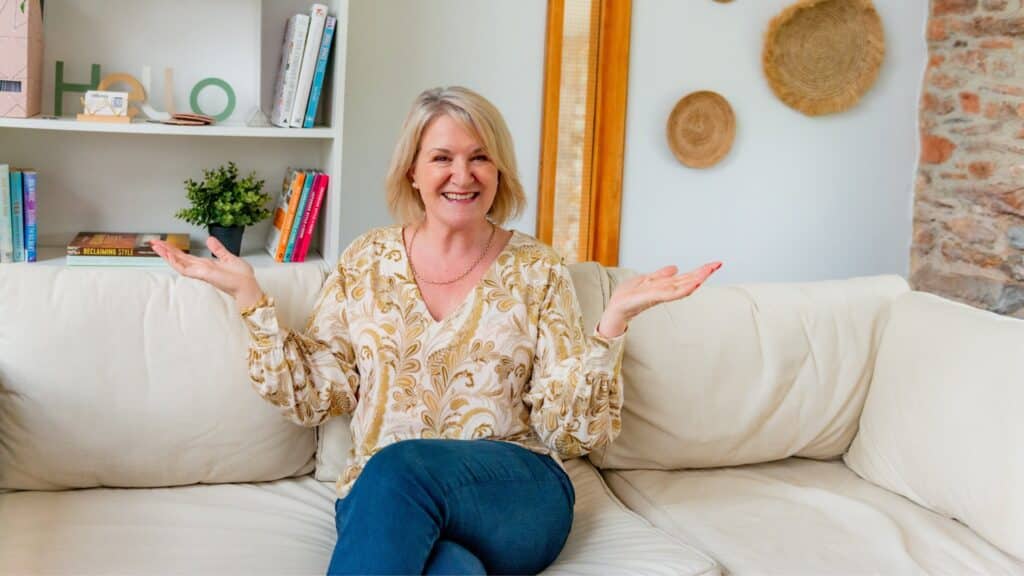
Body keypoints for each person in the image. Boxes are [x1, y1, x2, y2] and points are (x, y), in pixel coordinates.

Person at [151, 86, 722, 575]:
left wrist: (611, 324)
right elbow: (319, 395)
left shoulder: (538, 268)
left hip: (517, 496)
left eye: (480, 158)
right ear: (413, 171)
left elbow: (571, 433)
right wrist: (252, 300)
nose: (462, 175)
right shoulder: (366, 261)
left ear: (498, 171)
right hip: (385, 499)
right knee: (450, 567)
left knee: (400, 466)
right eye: (442, 157)